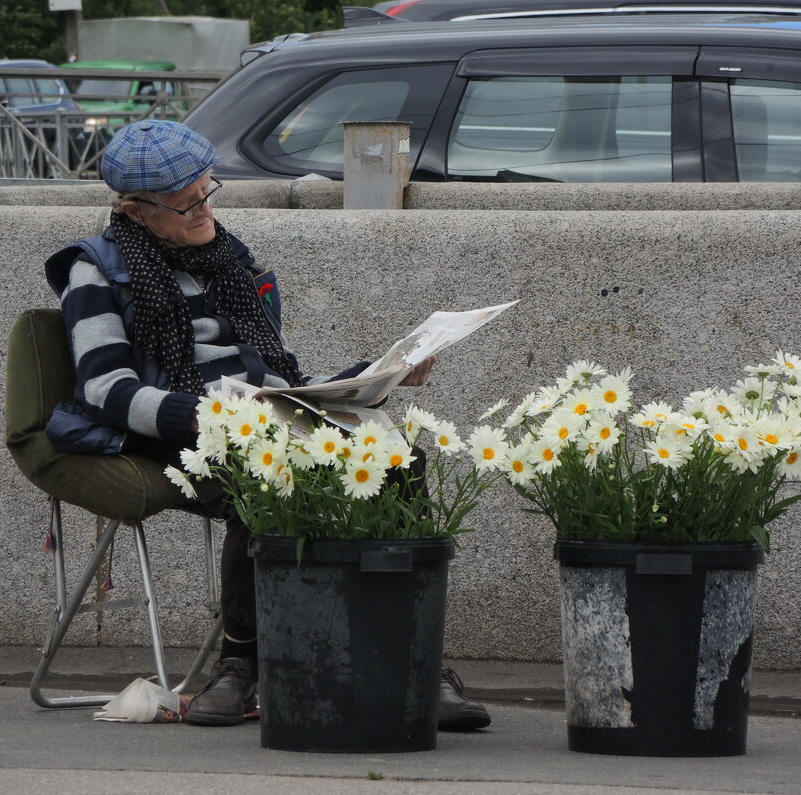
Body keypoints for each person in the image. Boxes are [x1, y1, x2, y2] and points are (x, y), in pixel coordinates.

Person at [44, 120, 490, 731]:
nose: (205, 210)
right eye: (185, 203)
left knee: (398, 465)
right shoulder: (93, 270)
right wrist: (212, 418)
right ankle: (241, 665)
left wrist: (368, 378)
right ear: (135, 211)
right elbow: (105, 389)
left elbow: (278, 378)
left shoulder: (231, 260)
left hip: (258, 421)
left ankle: (415, 662)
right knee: (264, 481)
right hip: (174, 436)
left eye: (207, 190)